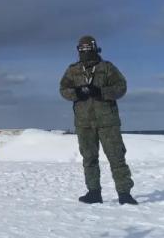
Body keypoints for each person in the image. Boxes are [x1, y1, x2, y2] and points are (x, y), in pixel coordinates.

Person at [59, 35, 138, 205]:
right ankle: (93, 192)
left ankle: (124, 193)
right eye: (82, 49)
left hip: (107, 121)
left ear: (95, 48)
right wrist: (77, 93)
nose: (85, 52)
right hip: (84, 122)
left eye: (88, 49)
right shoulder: (73, 70)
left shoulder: (107, 68)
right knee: (89, 158)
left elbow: (121, 87)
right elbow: (63, 89)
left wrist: (101, 92)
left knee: (116, 157)